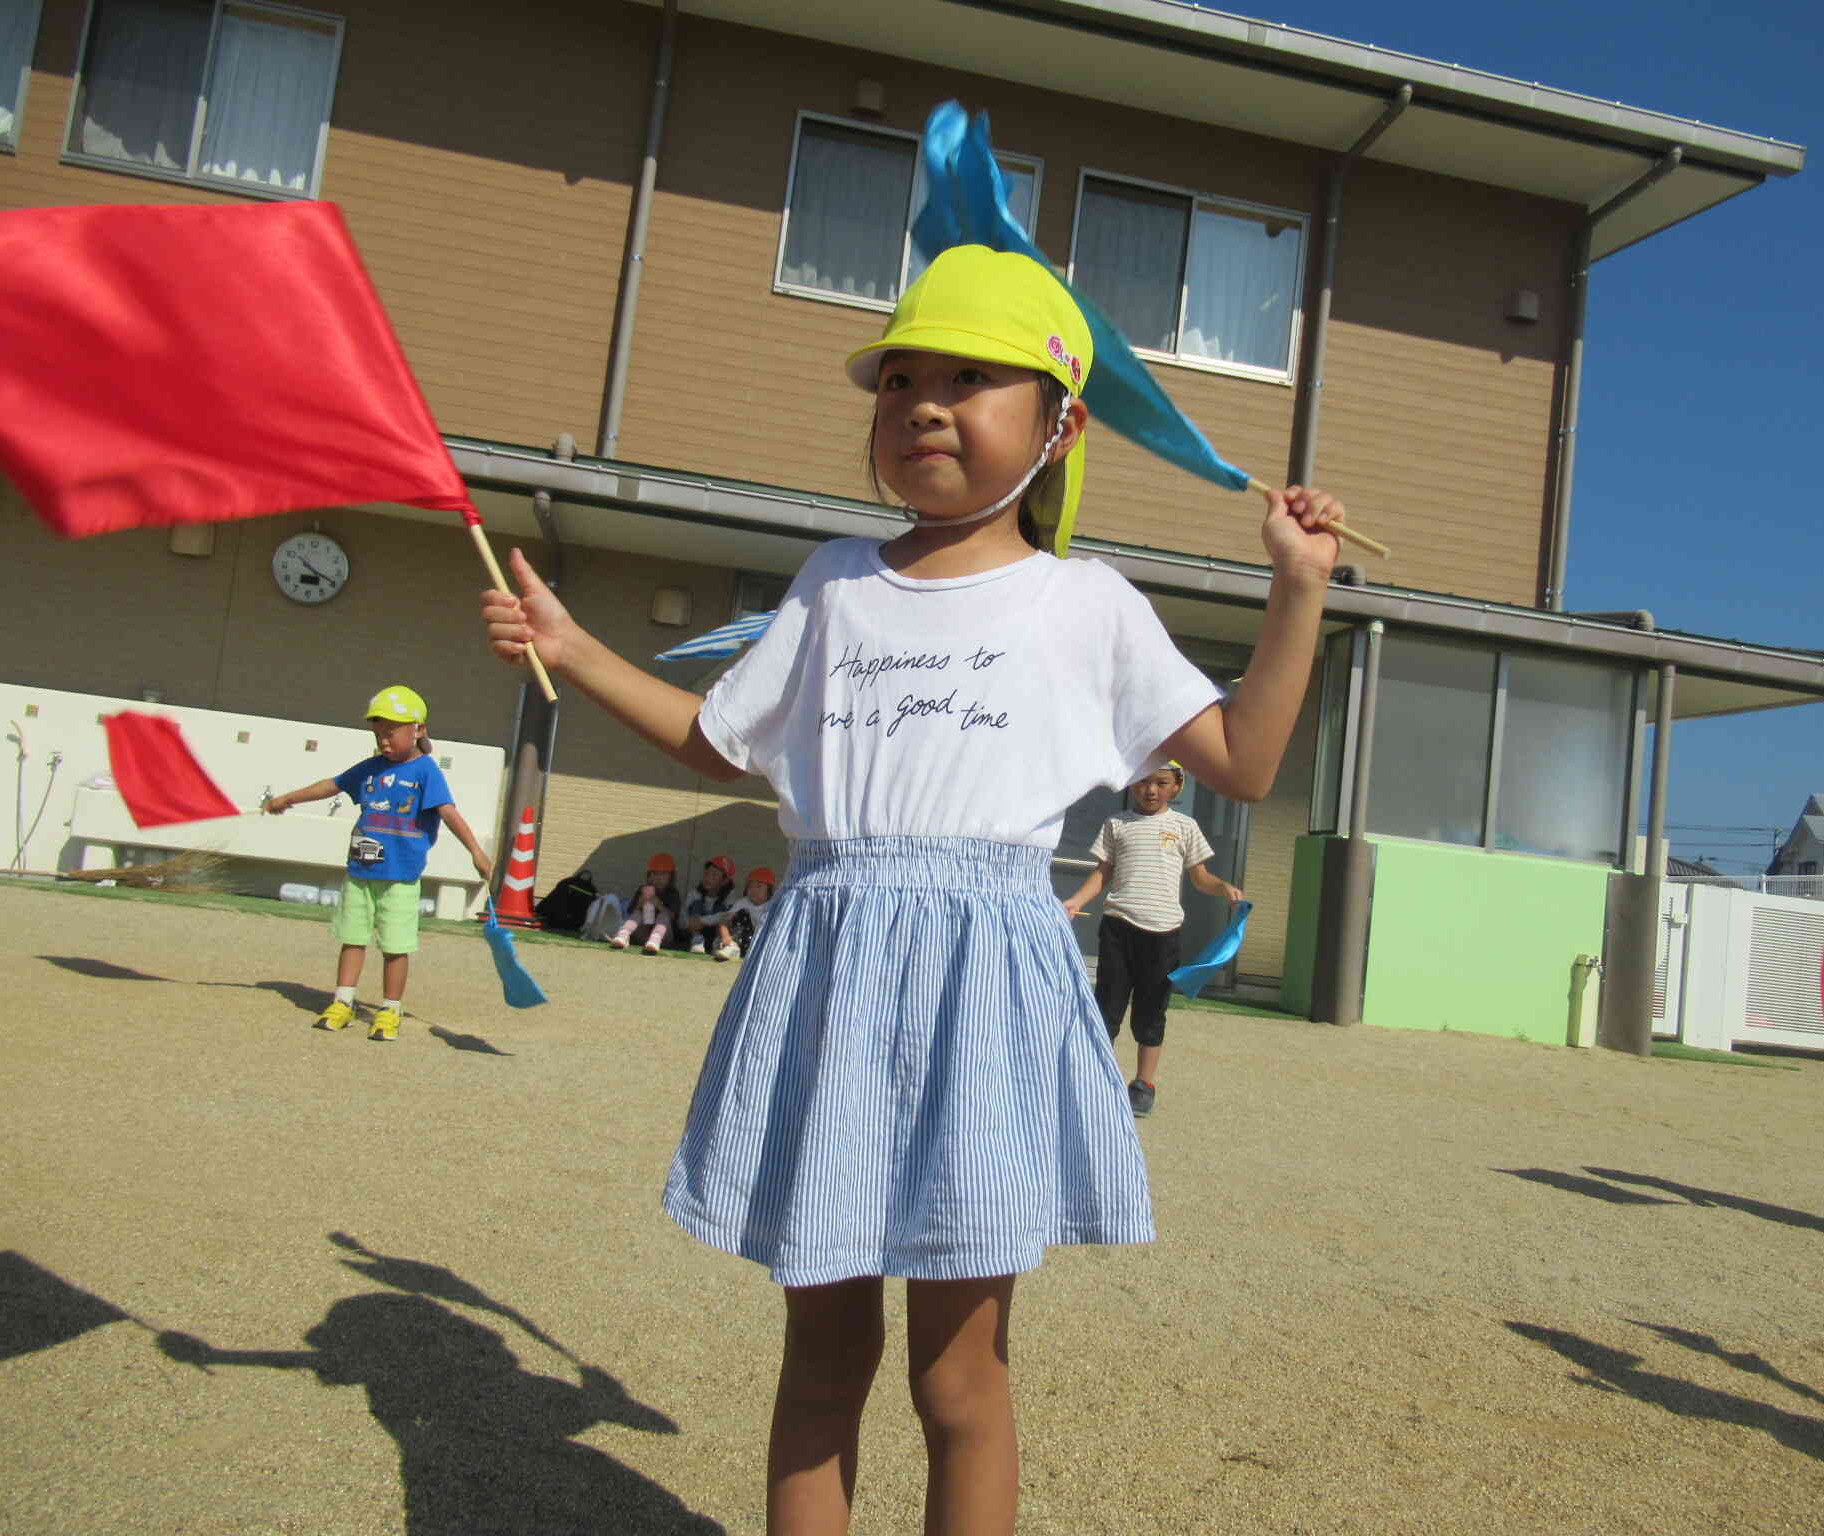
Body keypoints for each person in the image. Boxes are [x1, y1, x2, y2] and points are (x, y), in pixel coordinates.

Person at [479, 243, 1341, 1535]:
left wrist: (1298, 590)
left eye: (968, 380)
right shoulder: (834, 581)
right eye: (899, 383)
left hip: (987, 984)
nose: (923, 405)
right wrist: (572, 647)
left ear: (1062, 424)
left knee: (960, 1374)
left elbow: (1246, 760)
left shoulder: (1087, 602)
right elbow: (723, 741)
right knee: (820, 1366)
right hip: (827, 970)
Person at [265, 686, 493, 1041]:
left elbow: (448, 812)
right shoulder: (370, 768)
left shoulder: (425, 771)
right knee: (352, 938)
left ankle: (389, 1009)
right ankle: (343, 1001)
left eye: (390, 733)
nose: (383, 741)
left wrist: (476, 852)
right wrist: (289, 798)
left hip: (400, 877)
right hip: (360, 871)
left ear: (417, 729)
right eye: (378, 734)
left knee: (395, 946)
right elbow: (333, 785)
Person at [1063, 762, 1242, 1117]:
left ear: (1177, 787)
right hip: (1118, 928)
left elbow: (1200, 877)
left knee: (1151, 1012)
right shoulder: (1117, 824)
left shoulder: (1184, 827)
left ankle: (1143, 1084)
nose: (1151, 790)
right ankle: (1099, 1079)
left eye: (1161, 783)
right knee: (1106, 1008)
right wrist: (1075, 901)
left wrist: (1223, 888)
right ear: (1132, 785)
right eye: (1144, 782)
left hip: (1163, 934)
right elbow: (1102, 874)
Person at [712, 866, 777, 962]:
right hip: (739, 942)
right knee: (742, 913)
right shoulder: (742, 903)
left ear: (769, 889)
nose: (753, 890)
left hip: (762, 945)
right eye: (750, 886)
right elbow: (724, 921)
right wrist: (726, 936)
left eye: (759, 886)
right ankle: (732, 948)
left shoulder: (774, 905)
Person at [679, 855, 737, 954]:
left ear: (725, 881)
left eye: (714, 875)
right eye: (706, 874)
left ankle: (719, 944)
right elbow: (681, 919)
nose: (708, 878)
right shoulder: (694, 893)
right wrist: (689, 923)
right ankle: (697, 942)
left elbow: (727, 916)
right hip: (694, 932)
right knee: (696, 905)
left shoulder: (730, 896)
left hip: (716, 933)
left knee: (723, 913)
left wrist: (702, 921)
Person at [609, 883, 671, 953]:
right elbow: (630, 912)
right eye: (654, 874)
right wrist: (640, 904)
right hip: (642, 933)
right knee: (638, 913)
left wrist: (659, 905)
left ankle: (655, 939)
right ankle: (623, 935)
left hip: (663, 936)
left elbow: (673, 918)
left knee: (663, 915)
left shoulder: (671, 892)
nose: (658, 877)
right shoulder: (643, 889)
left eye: (663, 874)